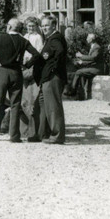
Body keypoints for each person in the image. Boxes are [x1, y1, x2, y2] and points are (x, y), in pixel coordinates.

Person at [0, 18, 39, 142]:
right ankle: (14, 136)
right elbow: (36, 54)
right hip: (17, 73)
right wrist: (27, 65)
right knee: (15, 104)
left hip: (3, 71)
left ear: (9, 27)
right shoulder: (23, 40)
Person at [36, 14, 67, 144]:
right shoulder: (51, 38)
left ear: (54, 25)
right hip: (48, 78)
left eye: (47, 25)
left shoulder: (55, 39)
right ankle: (44, 133)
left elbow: (60, 52)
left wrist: (53, 68)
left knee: (53, 106)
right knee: (45, 105)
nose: (44, 28)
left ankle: (57, 135)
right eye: (42, 26)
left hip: (52, 77)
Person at [20, 16, 44, 141]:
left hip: (32, 66)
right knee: (24, 97)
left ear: (36, 26)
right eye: (29, 26)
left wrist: (30, 61)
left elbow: (38, 51)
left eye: (32, 26)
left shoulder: (38, 37)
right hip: (24, 65)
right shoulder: (25, 36)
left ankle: (32, 130)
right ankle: (24, 130)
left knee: (31, 97)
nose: (30, 28)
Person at [67, 32, 103, 100]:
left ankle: (72, 91)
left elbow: (93, 58)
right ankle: (81, 95)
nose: (86, 39)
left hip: (96, 69)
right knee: (82, 75)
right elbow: (91, 60)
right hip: (93, 67)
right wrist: (81, 62)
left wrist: (81, 56)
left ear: (91, 39)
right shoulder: (93, 47)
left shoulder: (97, 47)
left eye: (87, 38)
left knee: (78, 72)